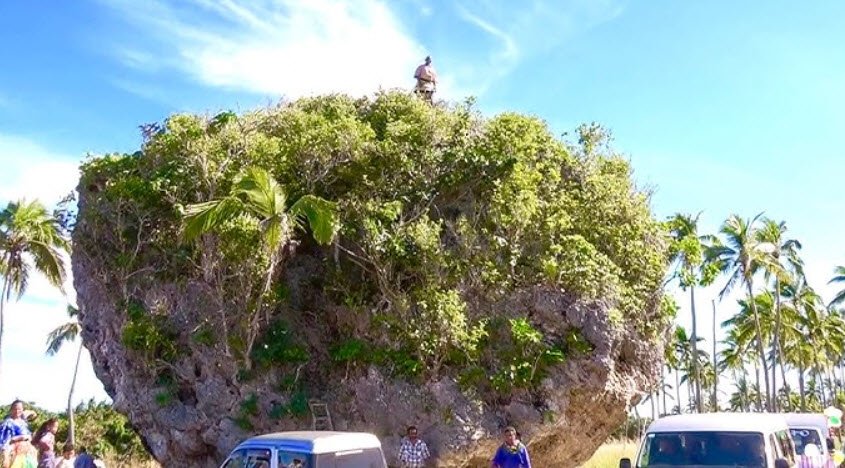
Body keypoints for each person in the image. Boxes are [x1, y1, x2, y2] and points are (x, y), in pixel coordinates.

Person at [1, 400, 38, 468]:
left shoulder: (23, 423)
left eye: (19, 409)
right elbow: (5, 442)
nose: (17, 411)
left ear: (22, 410)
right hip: (15, 454)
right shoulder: (8, 423)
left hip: (26, 454)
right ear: (11, 410)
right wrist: (21, 437)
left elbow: (33, 414)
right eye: (15, 409)